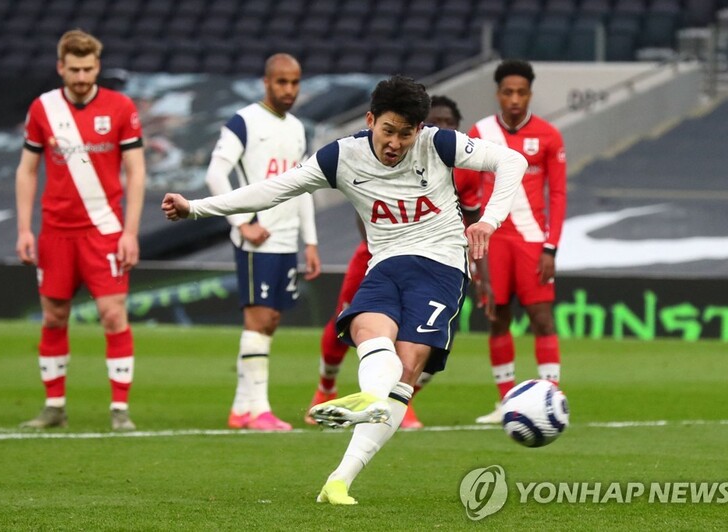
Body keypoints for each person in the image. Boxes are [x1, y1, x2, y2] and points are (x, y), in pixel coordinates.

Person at [162, 75, 526, 504]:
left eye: (405, 134)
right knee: (368, 333)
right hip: (387, 263)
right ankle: (370, 398)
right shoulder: (341, 156)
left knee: (407, 369)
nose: (395, 142)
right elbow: (272, 190)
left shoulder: (438, 143)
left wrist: (488, 221)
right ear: (370, 120)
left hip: (441, 265)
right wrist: (196, 208)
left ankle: (340, 478)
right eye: (387, 130)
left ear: (418, 130)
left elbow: (512, 162)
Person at [303, 95, 495, 430]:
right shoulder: (394, 154)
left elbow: (472, 218)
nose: (443, 128)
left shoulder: (464, 169)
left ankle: (400, 400)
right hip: (379, 255)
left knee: (426, 340)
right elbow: (365, 212)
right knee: (347, 321)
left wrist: (482, 273)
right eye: (436, 121)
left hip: (439, 262)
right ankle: (325, 390)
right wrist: (388, 251)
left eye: (449, 123)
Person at [15, 29, 146, 431]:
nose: (82, 77)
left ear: (97, 66)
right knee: (54, 316)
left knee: (113, 315)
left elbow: (137, 171)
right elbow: (27, 169)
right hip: (55, 231)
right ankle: (54, 406)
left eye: (89, 69)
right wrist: (24, 229)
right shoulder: (43, 109)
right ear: (61, 67)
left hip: (104, 230)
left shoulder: (121, 107)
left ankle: (119, 410)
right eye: (74, 69)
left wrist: (130, 231)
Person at [205, 53, 321, 432]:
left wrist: (311, 241)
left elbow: (304, 186)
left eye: (295, 82)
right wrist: (242, 223)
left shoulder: (298, 128)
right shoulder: (244, 121)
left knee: (270, 320)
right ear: (266, 82)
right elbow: (215, 174)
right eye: (282, 82)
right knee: (258, 319)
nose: (289, 89)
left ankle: (242, 408)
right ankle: (259, 410)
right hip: (259, 237)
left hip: (287, 238)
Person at [458, 59, 567, 424]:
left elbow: (559, 195)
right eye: (508, 92)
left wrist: (551, 246)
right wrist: (474, 250)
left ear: (530, 94)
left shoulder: (550, 135)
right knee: (497, 318)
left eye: (521, 92)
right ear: (498, 94)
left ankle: (550, 398)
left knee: (542, 320)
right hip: (495, 240)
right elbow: (467, 190)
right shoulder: (481, 131)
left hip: (534, 240)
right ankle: (506, 402)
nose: (515, 99)